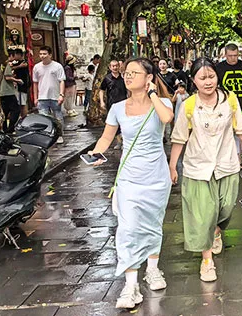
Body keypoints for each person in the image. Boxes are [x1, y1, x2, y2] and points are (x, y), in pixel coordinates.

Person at [86, 58, 174, 310]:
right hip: (129, 178)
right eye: (126, 73)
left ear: (148, 77)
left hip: (156, 177)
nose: (127, 76)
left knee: (153, 224)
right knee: (127, 229)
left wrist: (153, 93)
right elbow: (106, 137)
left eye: (134, 73)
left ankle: (153, 269)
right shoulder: (117, 107)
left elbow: (167, 118)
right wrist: (95, 153)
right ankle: (130, 284)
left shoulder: (163, 103)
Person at [168, 57, 242, 283]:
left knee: (226, 207)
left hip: (226, 164)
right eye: (202, 78)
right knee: (203, 214)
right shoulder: (189, 105)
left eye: (211, 76)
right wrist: (172, 165)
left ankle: (217, 231)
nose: (208, 82)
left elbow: (241, 128)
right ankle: (207, 260)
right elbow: (179, 137)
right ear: (194, 80)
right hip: (197, 167)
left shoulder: (230, 100)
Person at [32, 46, 66, 144]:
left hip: (55, 96)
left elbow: (62, 81)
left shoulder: (57, 66)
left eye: (45, 54)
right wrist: (35, 97)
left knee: (58, 116)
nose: (42, 56)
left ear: (50, 55)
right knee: (43, 118)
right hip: (42, 97)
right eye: (41, 54)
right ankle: (46, 136)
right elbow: (35, 83)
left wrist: (61, 94)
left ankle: (59, 135)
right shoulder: (36, 67)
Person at [0, 51, 23, 133]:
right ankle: (10, 128)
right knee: (16, 110)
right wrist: (17, 80)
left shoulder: (1, 64)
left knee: (5, 112)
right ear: (11, 56)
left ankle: (5, 129)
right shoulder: (7, 65)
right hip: (8, 92)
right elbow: (7, 77)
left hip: (2, 92)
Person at [12, 49, 30, 116]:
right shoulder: (18, 64)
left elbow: (12, 68)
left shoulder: (24, 63)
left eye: (15, 55)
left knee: (23, 103)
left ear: (19, 55)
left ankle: (24, 117)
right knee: (20, 103)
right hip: (19, 86)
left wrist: (19, 66)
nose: (14, 56)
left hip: (22, 86)